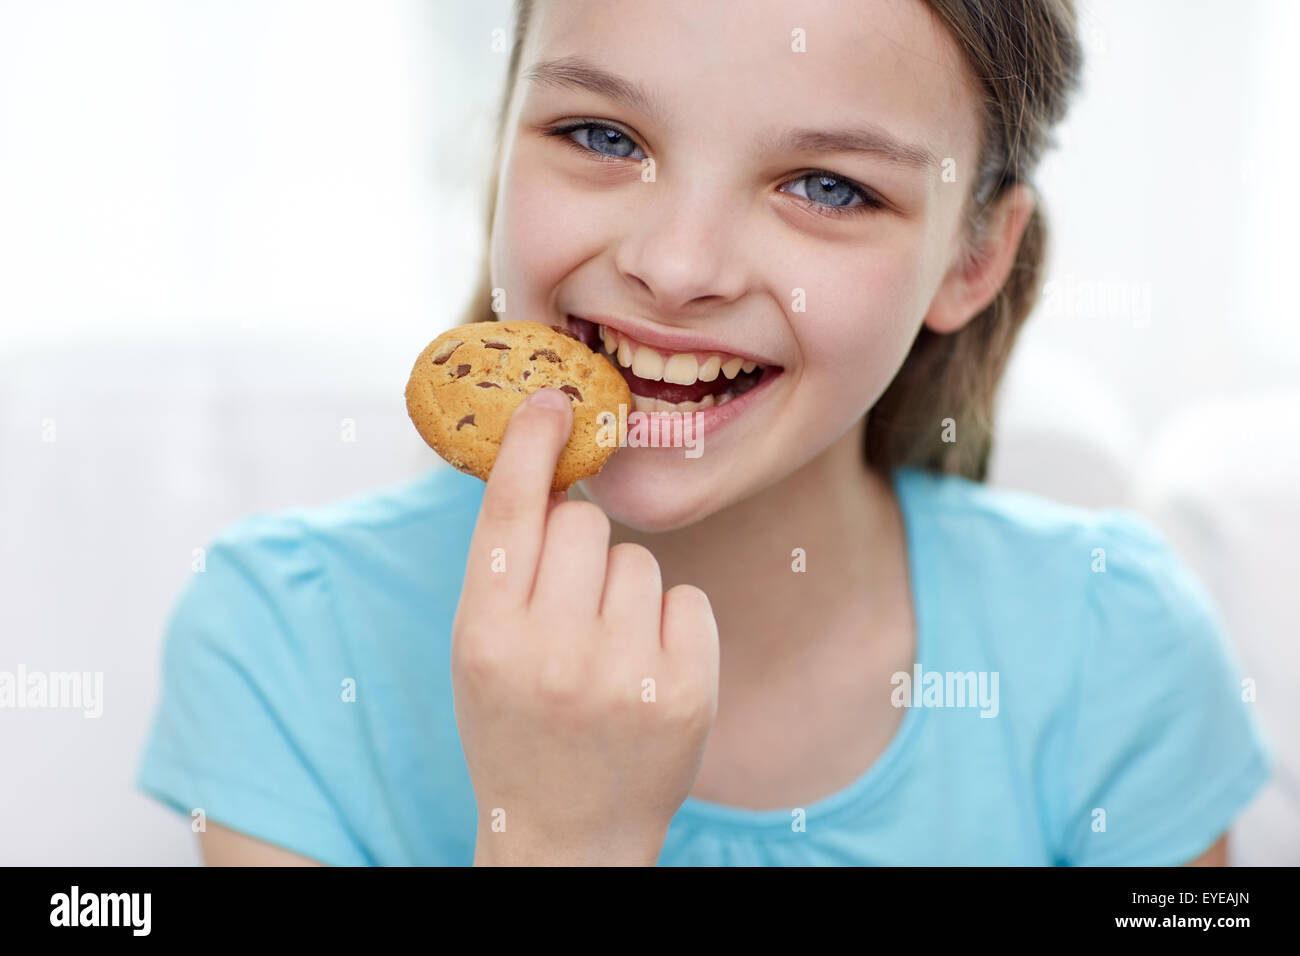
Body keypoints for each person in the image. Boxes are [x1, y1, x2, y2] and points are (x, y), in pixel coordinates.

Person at [137, 0, 1273, 865]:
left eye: (826, 187)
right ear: (499, 145)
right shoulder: (287, 643)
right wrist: (551, 836)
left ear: (973, 256)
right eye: (598, 132)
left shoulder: (1116, 651)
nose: (674, 267)